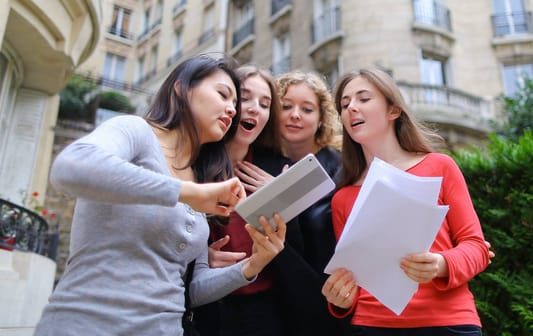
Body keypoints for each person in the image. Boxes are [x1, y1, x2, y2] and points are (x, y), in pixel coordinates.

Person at [34, 55, 286, 336]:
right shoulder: (136, 132)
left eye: (234, 104)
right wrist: (186, 192)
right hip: (87, 324)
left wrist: (254, 264)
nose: (232, 109)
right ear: (181, 88)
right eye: (223, 95)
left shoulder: (200, 175)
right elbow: (71, 166)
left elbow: (191, 287)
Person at [322, 68, 490, 336]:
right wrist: (339, 300)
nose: (351, 107)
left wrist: (441, 264)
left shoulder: (440, 167)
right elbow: (354, 278)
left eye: (363, 99)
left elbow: (477, 248)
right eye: (345, 104)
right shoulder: (343, 198)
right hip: (371, 326)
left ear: (393, 111)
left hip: (447, 323)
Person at [192, 64, 292, 336]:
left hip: (267, 308)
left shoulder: (279, 168)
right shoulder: (193, 165)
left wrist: (283, 195)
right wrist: (200, 259)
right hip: (210, 306)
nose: (253, 108)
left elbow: (301, 248)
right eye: (244, 97)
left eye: (264, 103)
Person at [268, 70, 346, 335]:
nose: (295, 115)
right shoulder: (260, 163)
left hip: (334, 299)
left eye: (307, 109)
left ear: (321, 118)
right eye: (286, 106)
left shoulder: (343, 166)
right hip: (277, 304)